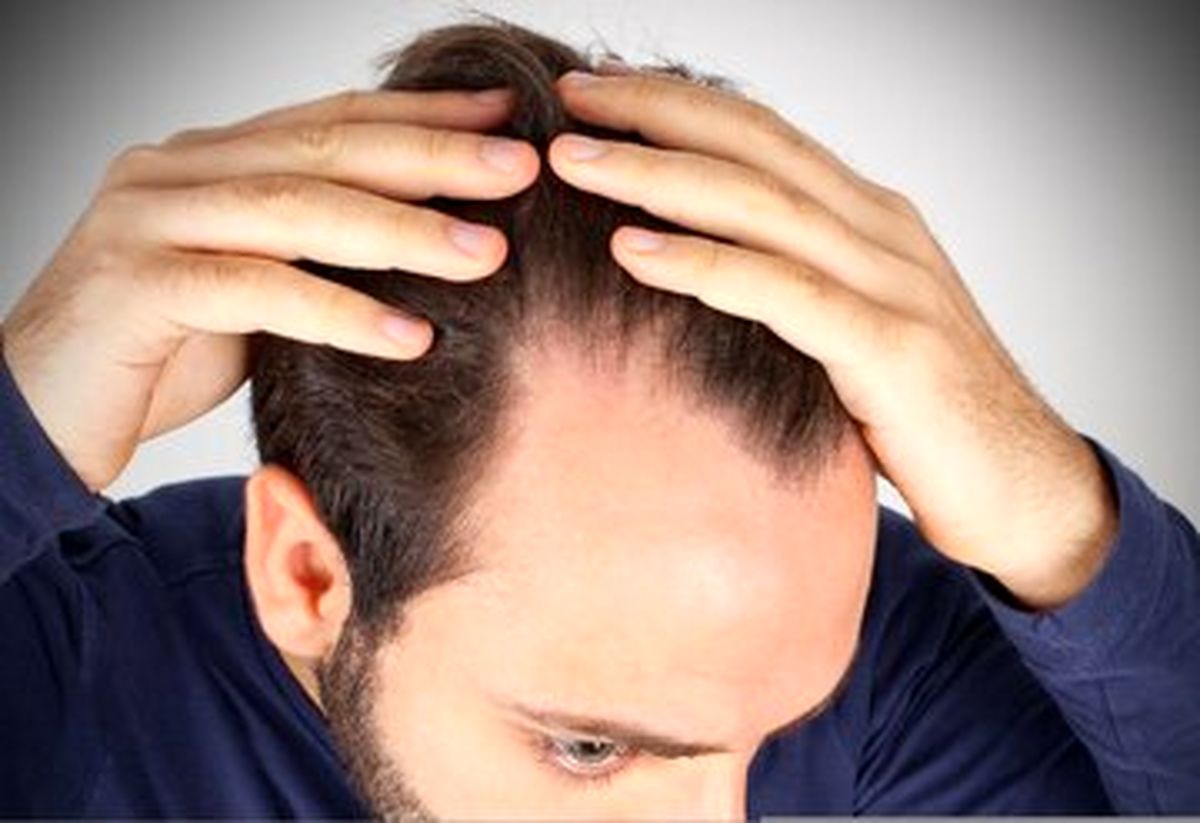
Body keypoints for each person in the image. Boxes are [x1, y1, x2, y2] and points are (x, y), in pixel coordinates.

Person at [1, 16, 1196, 821]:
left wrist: (1062, 525)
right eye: (589, 749)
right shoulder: (67, 674)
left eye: (786, 731)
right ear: (307, 574)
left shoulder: (878, 658)